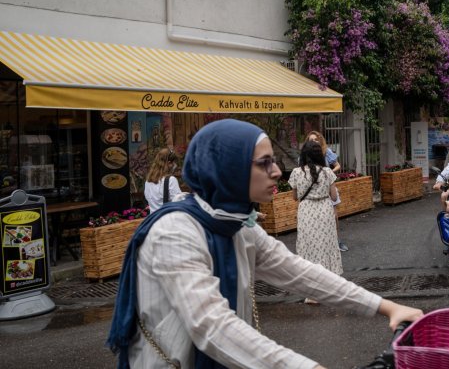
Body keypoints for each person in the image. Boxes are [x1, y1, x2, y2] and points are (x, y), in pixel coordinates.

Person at [107, 119, 422, 369]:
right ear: (228, 168)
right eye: (264, 163)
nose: (276, 171)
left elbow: (298, 272)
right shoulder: (174, 232)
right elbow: (212, 326)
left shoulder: (235, 223)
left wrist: (386, 307)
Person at [290, 140, 342, 303]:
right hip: (324, 211)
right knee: (326, 246)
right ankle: (330, 287)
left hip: (306, 211)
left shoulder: (296, 172)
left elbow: (295, 197)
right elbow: (334, 196)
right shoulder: (327, 172)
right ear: (320, 155)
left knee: (309, 247)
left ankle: (312, 293)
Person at [306, 131, 347, 252]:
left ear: (320, 140)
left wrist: (329, 174)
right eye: (310, 140)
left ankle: (337, 241)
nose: (313, 142)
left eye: (315, 139)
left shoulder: (326, 151)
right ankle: (319, 243)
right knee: (315, 217)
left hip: (329, 185)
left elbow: (338, 165)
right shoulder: (305, 155)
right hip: (314, 189)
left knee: (334, 216)